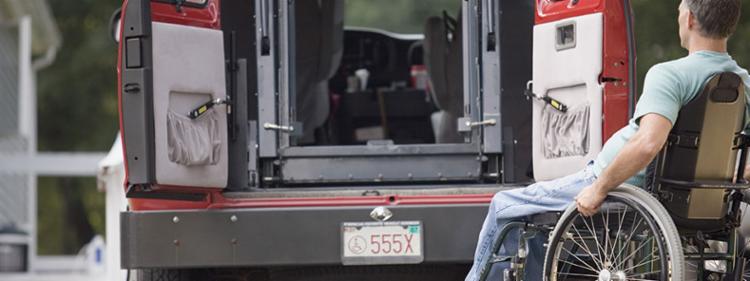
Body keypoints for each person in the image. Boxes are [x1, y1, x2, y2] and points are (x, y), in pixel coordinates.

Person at [465, 0, 748, 280]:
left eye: (679, 11)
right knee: (537, 221)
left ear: (689, 20)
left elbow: (648, 143)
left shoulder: (670, 76)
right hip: (698, 198)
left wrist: (599, 188)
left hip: (621, 184)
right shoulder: (743, 82)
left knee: (504, 206)